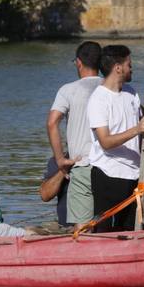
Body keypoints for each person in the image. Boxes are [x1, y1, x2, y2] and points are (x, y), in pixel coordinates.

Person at [87, 44, 144, 232]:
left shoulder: (131, 93)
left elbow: (141, 135)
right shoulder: (98, 99)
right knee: (104, 231)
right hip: (107, 174)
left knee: (131, 230)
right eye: (129, 64)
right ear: (117, 68)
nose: (132, 68)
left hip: (134, 175)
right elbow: (105, 142)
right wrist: (136, 129)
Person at [47, 40, 102, 226]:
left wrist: (60, 160)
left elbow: (52, 123)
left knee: (83, 228)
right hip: (113, 165)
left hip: (83, 164)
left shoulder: (68, 90)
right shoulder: (115, 88)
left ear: (78, 62)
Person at [39, 155, 75, 227]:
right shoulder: (57, 160)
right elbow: (45, 195)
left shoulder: (99, 158)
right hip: (66, 228)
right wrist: (64, 169)